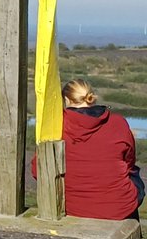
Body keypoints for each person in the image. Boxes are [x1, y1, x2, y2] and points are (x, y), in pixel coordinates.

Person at [32, 78, 144, 220]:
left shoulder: (56, 126)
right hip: (118, 207)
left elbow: (38, 169)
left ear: (66, 99)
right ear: (92, 97)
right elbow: (129, 161)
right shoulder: (118, 122)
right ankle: (132, 236)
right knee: (133, 176)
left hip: (72, 207)